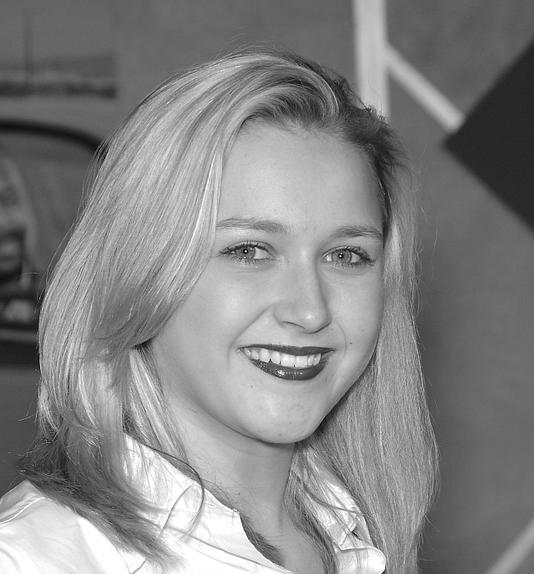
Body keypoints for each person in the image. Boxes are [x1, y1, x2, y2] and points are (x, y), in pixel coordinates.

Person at [0, 48, 438, 574]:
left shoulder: (359, 541)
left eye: (345, 256)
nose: (310, 311)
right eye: (249, 250)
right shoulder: (31, 559)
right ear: (139, 271)